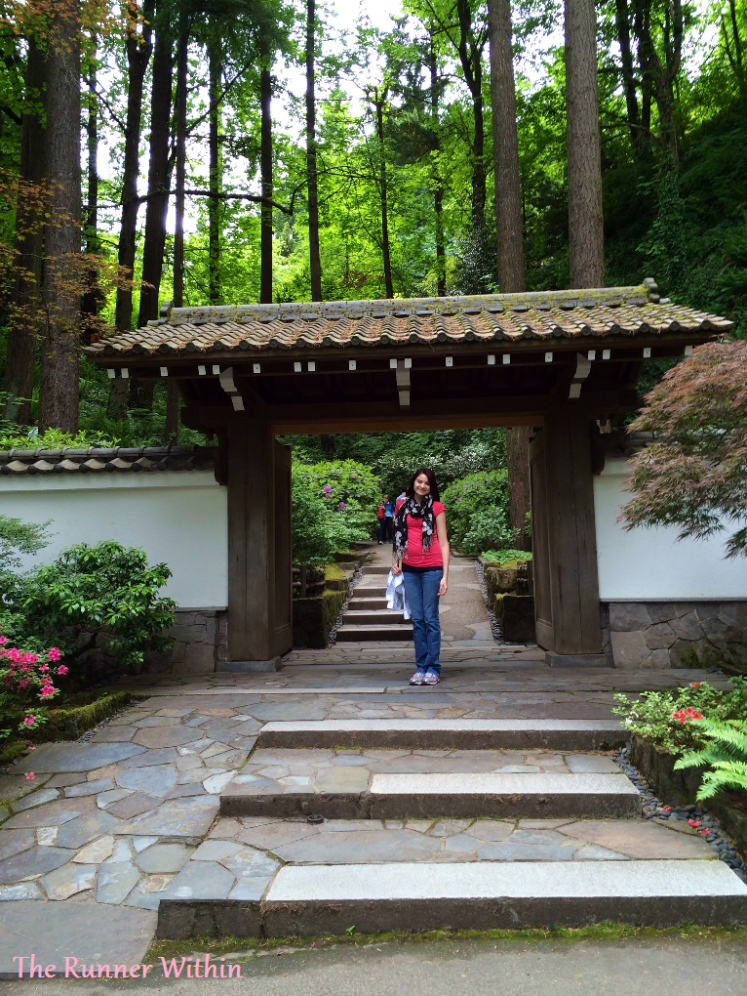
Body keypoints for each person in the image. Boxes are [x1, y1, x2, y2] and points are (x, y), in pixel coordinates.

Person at [391, 467, 449, 685]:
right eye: (419, 481)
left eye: (427, 483)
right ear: (413, 482)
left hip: (432, 567)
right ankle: (421, 666)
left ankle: (433, 667)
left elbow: (443, 542)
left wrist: (445, 576)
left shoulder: (437, 507)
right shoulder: (401, 505)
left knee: (430, 618)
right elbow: (398, 537)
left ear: (431, 486)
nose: (422, 486)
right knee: (418, 620)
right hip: (409, 567)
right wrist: (395, 562)